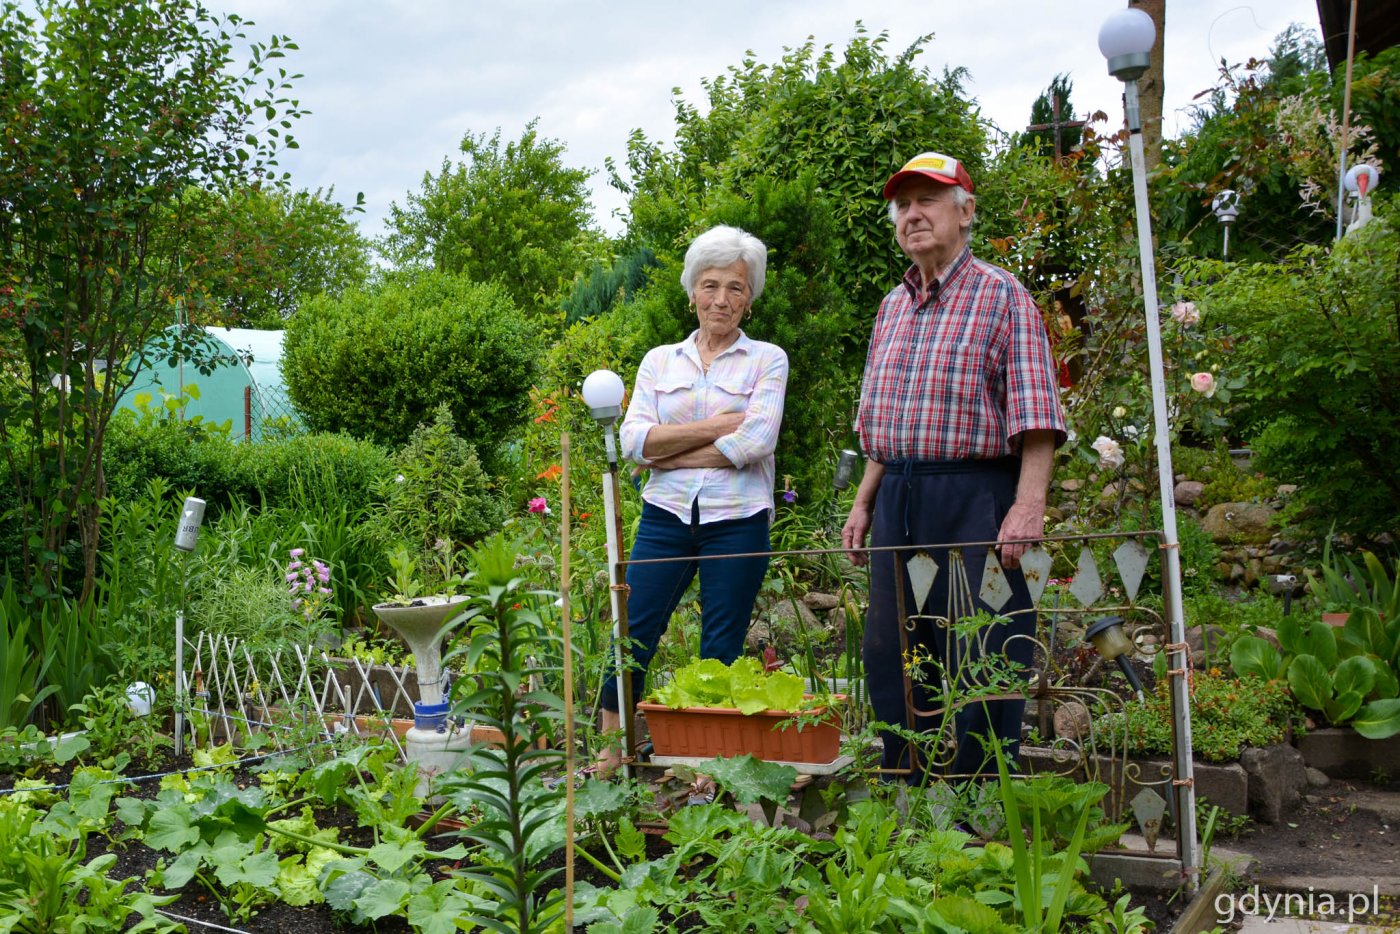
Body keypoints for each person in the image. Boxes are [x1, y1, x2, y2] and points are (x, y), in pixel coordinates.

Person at [840, 152, 1066, 781]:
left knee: (984, 639)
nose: (913, 215)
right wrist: (863, 502)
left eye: (928, 201)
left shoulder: (1002, 295)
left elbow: (1037, 414)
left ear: (964, 213)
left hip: (975, 494)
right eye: (903, 205)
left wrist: (1029, 506)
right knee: (895, 644)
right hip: (898, 495)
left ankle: (979, 794)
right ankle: (907, 782)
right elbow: (881, 425)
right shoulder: (892, 306)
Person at [598, 224, 789, 773]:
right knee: (632, 627)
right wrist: (716, 427)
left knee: (721, 640)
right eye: (710, 286)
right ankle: (612, 752)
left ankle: (705, 762)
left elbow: (757, 441)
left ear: (749, 299)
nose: (721, 299)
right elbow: (633, 441)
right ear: (691, 293)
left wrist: (668, 452)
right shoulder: (660, 361)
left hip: (739, 518)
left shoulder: (767, 360)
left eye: (735, 287)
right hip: (666, 516)